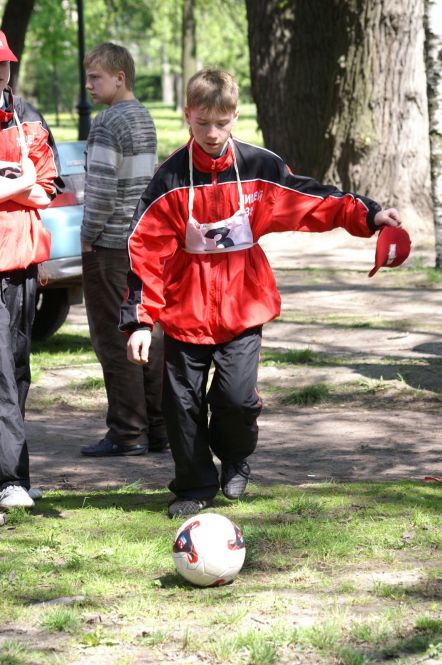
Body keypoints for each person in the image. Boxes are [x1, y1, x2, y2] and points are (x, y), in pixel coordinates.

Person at [120, 68, 405, 518]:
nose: (212, 134)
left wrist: (368, 215)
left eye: (221, 123)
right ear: (188, 115)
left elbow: (312, 201)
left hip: (243, 307)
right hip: (184, 313)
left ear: (235, 116)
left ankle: (235, 457)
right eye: (202, 123)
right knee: (181, 405)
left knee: (236, 400)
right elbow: (144, 250)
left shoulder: (259, 167)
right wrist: (140, 321)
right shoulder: (169, 179)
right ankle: (194, 485)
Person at [80, 43, 168, 458]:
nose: (88, 85)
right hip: (141, 243)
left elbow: (100, 191)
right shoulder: (143, 117)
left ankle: (127, 432)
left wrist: (87, 236)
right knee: (146, 332)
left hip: (110, 244)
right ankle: (159, 427)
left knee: (114, 339)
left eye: (95, 77)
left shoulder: (107, 123)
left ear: (120, 78)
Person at [0, 31, 62, 510]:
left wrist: (18, 185)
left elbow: (46, 191)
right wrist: (21, 181)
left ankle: (15, 474)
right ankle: (7, 480)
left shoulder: (29, 118)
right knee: (0, 370)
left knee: (18, 367)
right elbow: (30, 185)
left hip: (23, 262)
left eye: (3, 65)